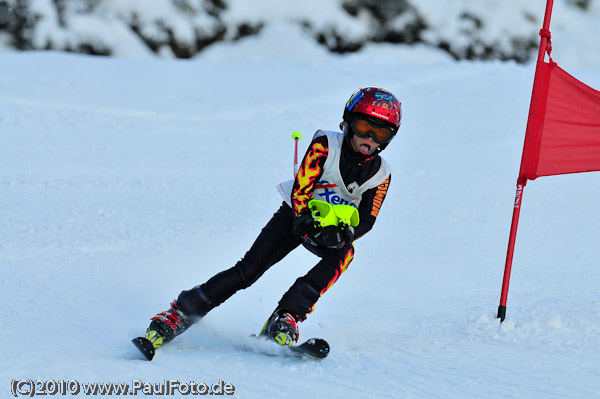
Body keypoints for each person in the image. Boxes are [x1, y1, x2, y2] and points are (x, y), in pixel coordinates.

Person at [142, 86, 402, 349]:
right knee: (248, 271)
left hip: (330, 229)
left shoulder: (381, 174)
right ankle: (180, 312)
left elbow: (368, 219)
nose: (369, 138)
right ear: (346, 123)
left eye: (380, 132)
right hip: (296, 216)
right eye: (362, 127)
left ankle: (286, 317)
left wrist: (345, 233)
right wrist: (305, 218)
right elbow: (302, 188)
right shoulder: (326, 144)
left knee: (346, 252)